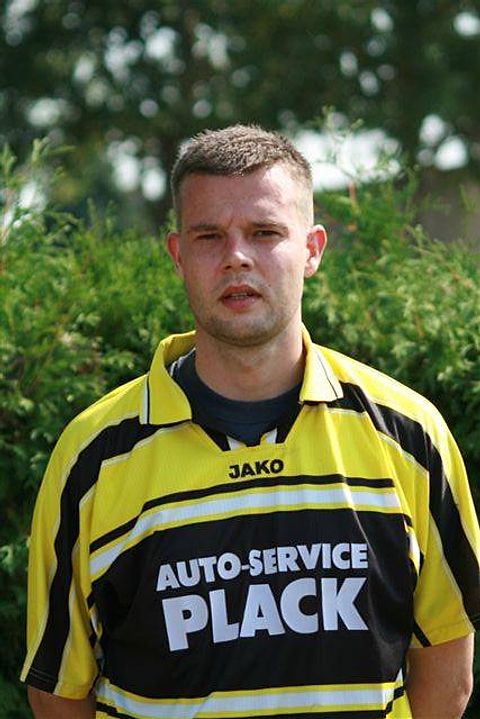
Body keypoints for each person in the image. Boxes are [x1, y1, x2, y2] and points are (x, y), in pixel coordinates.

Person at [22, 124, 480, 719]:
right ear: (178, 255)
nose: (236, 256)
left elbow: (448, 665)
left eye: (265, 232)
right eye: (209, 236)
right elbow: (57, 692)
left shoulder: (410, 436)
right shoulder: (93, 457)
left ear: (312, 249)